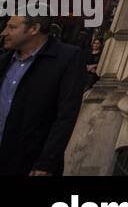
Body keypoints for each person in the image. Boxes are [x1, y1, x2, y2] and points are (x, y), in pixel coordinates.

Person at [0, 13, 88, 176]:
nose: (4, 32)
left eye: (12, 27)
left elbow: (66, 116)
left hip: (29, 163)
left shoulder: (67, 58)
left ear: (34, 29)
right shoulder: (4, 60)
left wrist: (46, 162)